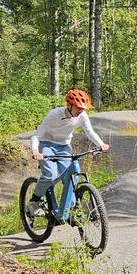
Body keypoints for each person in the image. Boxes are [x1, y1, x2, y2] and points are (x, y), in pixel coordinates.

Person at [27, 89, 111, 221]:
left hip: (64, 146)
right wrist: (35, 151)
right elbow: (36, 135)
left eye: (82, 109)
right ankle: (34, 201)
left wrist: (101, 144)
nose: (80, 111)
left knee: (71, 179)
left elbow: (90, 132)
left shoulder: (82, 116)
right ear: (69, 105)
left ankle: (67, 212)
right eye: (78, 108)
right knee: (50, 175)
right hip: (47, 144)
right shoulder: (54, 115)